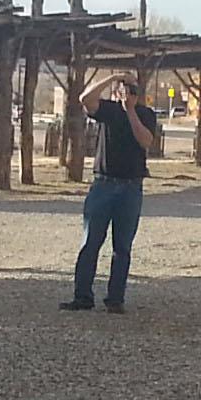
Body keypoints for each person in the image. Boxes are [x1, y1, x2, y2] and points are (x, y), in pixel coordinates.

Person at [64, 78, 164, 312]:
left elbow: (145, 140)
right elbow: (85, 99)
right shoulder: (107, 111)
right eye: (123, 90)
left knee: (123, 246)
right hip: (104, 184)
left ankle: (115, 299)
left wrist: (130, 111)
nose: (127, 94)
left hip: (131, 187)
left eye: (131, 90)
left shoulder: (145, 114)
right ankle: (83, 296)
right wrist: (111, 79)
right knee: (90, 243)